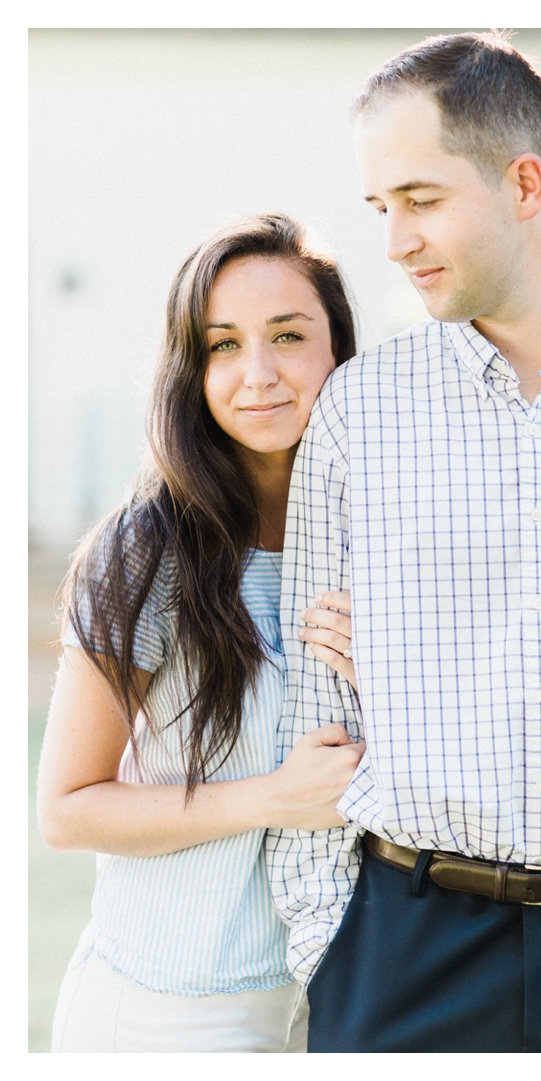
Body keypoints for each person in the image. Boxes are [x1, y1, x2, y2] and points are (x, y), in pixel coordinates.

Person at [266, 32, 541, 1053]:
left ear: (523, 182)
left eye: (421, 200)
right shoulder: (358, 415)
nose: (395, 241)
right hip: (406, 951)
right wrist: (328, 948)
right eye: (381, 208)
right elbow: (318, 708)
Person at [37, 214, 367, 1052]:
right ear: (192, 367)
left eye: (288, 335)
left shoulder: (380, 543)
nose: (258, 374)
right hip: (167, 1013)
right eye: (223, 345)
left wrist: (397, 679)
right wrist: (271, 798)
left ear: (338, 347)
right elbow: (66, 810)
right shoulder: (146, 549)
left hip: (332, 1003)